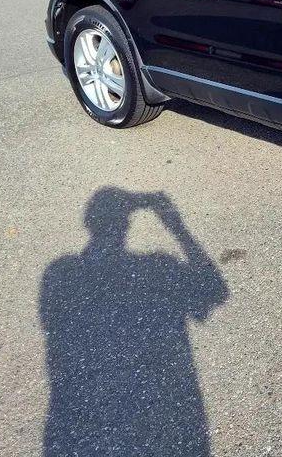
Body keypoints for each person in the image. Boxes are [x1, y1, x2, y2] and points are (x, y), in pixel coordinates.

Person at [39, 188, 228, 456]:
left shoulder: (60, 272)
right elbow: (215, 290)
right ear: (126, 223)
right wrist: (176, 227)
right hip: (165, 405)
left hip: (78, 416)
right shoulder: (159, 266)